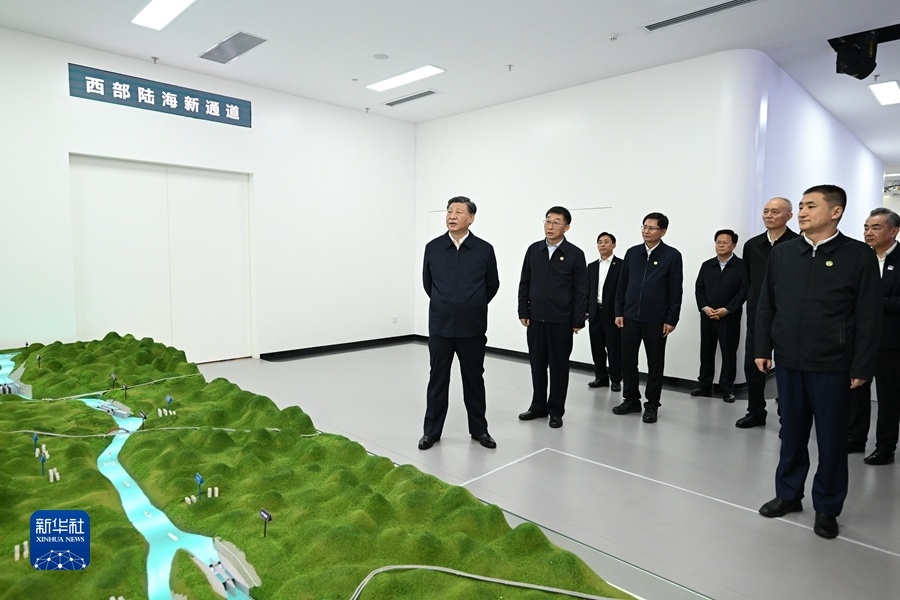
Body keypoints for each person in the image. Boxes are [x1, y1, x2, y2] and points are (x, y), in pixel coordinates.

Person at [755, 184, 882, 540]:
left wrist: (862, 366)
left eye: (811, 206)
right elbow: (766, 303)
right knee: (791, 433)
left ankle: (827, 506)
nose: (802, 212)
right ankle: (788, 494)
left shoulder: (857, 255)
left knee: (831, 440)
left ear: (836, 211)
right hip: (789, 362)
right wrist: (762, 347)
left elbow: (869, 316)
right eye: (800, 206)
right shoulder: (784, 253)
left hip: (833, 365)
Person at [420, 196, 500, 450]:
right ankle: (431, 432)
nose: (452, 216)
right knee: (437, 379)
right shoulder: (433, 248)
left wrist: (472, 304)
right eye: (449, 211)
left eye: (458, 212)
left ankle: (479, 430)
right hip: (440, 326)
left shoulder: (484, 250)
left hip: (472, 327)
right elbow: (428, 284)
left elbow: (492, 285)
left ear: (471, 218)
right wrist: (446, 303)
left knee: (474, 379)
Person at [517, 206, 588, 429]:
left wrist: (577, 320)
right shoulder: (533, 250)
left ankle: (556, 410)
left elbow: (581, 290)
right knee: (537, 365)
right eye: (547, 221)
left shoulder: (575, 254)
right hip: (536, 319)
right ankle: (538, 406)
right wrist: (523, 310)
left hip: (561, 321)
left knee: (559, 367)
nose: (550, 226)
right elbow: (525, 282)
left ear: (566, 227)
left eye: (556, 222)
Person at [612, 212, 683, 423]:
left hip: (656, 320)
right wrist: (619, 311)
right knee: (628, 361)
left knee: (655, 364)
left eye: (652, 228)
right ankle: (631, 399)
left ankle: (652, 405)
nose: (646, 231)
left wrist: (671, 319)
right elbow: (622, 285)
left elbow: (675, 290)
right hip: (630, 317)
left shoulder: (672, 255)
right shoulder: (632, 253)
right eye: (644, 227)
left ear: (663, 231)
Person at [735, 197, 800, 429]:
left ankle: (788, 416)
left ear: (788, 216)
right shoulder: (752, 245)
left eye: (775, 211)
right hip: (758, 315)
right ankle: (755, 412)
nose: (768, 215)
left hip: (788, 317)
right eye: (766, 211)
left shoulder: (798, 244)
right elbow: (748, 281)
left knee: (787, 367)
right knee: (752, 365)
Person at [847, 208, 900, 465]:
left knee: (889, 396)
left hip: (891, 340)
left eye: (876, 228)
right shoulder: (859, 257)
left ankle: (885, 446)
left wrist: (873, 301)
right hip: (858, 338)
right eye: (866, 227)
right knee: (857, 390)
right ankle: (855, 438)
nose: (869, 232)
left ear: (894, 231)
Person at [692, 229, 747, 403]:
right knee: (706, 351)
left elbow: (744, 291)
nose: (721, 245)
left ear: (734, 245)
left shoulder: (742, 266)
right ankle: (704, 385)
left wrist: (728, 309)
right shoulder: (707, 265)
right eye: (718, 242)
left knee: (728, 353)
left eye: (725, 242)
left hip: (729, 317)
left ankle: (727, 388)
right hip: (708, 316)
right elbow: (699, 288)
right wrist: (705, 307)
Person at [587, 232, 622, 391]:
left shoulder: (621, 265)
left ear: (614, 245)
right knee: (597, 347)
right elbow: (587, 290)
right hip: (595, 312)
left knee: (614, 348)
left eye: (606, 242)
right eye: (600, 242)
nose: (602, 245)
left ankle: (616, 379)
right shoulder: (592, 266)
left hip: (613, 314)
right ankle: (601, 377)